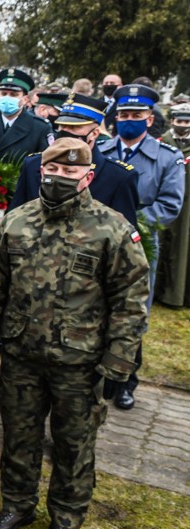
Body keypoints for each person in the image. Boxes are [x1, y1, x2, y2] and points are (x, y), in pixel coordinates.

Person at [0, 138, 150, 529]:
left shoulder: (112, 229)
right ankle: (17, 504)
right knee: (19, 438)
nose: (59, 178)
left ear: (89, 176)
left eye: (70, 173)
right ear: (41, 172)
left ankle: (66, 516)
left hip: (81, 364)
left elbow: (131, 300)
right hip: (21, 357)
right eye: (53, 170)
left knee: (74, 445)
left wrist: (119, 361)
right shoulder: (14, 223)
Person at [98, 84, 186, 409]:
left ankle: (125, 381)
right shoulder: (102, 151)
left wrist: (130, 222)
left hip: (140, 243)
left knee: (131, 311)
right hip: (97, 241)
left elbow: (170, 205)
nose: (129, 120)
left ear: (150, 119)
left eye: (136, 115)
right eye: (123, 115)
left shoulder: (167, 158)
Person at [10, 92, 140, 228]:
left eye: (74, 127)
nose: (66, 132)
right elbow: (15, 216)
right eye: (62, 126)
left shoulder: (118, 176)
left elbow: (125, 232)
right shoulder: (33, 164)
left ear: (94, 134)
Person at [0, 68, 54, 163]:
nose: (7, 98)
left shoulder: (40, 127)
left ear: (25, 99)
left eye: (14, 94)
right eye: (4, 93)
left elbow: (44, 164)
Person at [156, 103, 190, 307]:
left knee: (182, 247)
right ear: (172, 121)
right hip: (164, 201)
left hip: (187, 207)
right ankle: (158, 290)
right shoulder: (161, 144)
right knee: (160, 242)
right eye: (180, 121)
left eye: (187, 122)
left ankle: (177, 295)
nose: (183, 125)